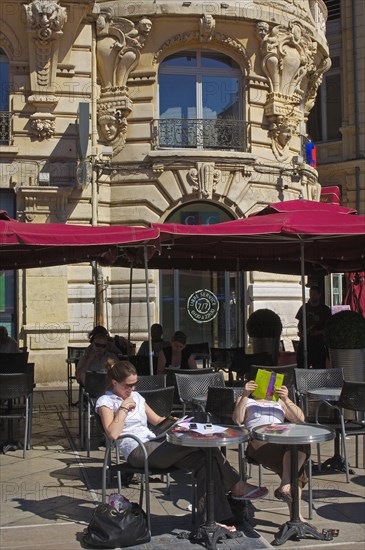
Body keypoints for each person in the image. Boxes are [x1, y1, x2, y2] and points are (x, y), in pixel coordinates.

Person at [96, 360, 268, 526]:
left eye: (135, 384)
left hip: (154, 443)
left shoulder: (137, 396)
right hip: (137, 451)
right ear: (114, 383)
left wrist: (174, 423)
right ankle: (236, 485)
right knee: (200, 440)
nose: (132, 389)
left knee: (205, 458)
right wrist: (124, 408)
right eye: (128, 385)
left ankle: (212, 518)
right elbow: (112, 434)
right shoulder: (106, 401)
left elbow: (156, 420)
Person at [232, 379, 310, 523]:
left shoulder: (279, 402)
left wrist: (286, 399)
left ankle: (285, 485)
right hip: (258, 441)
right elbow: (237, 420)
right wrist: (244, 394)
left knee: (301, 443)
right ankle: (296, 515)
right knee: (296, 469)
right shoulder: (247, 400)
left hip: (281, 439)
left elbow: (300, 420)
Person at [295, 286, 331, 369]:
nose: (312, 296)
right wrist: (301, 332)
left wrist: (319, 332)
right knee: (302, 366)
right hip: (305, 342)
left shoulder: (324, 309)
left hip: (318, 343)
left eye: (314, 294)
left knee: (319, 367)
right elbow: (300, 323)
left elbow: (328, 327)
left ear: (319, 295)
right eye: (311, 294)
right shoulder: (304, 307)